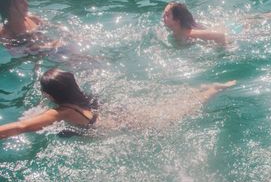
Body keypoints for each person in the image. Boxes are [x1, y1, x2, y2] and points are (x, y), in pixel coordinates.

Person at [0, 68, 237, 139]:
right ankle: (203, 90)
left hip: (128, 127)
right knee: (173, 109)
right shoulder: (80, 99)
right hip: (122, 117)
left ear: (51, 95)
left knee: (180, 114)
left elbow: (21, 127)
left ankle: (212, 90)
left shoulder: (61, 112)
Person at [162, 2, 227, 44]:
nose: (163, 17)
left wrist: (220, 53)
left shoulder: (190, 34)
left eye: (167, 15)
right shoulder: (175, 32)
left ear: (177, 20)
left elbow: (220, 36)